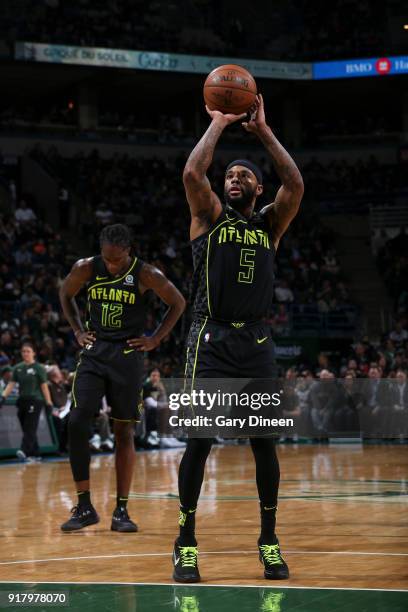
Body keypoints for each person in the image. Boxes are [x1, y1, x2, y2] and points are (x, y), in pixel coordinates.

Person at [172, 95, 304, 582]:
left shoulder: (270, 224)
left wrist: (264, 132)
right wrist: (219, 124)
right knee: (199, 441)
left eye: (243, 175)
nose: (233, 179)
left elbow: (296, 184)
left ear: (257, 187)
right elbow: (191, 174)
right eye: (229, 175)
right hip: (208, 337)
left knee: (264, 445)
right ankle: (185, 542)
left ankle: (268, 540)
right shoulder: (207, 217)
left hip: (257, 343)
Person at [59, 223, 185, 532]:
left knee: (124, 431)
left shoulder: (146, 274)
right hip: (95, 351)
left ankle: (121, 510)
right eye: (108, 258)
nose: (112, 264)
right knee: (76, 422)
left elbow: (178, 303)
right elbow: (66, 294)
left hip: (128, 357)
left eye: (117, 259)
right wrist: (77, 330)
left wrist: (155, 339)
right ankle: (85, 505)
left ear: (128, 251)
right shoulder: (86, 268)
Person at [0, 342, 53, 461]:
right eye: (23, 351)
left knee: (30, 426)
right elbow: (11, 384)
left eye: (28, 351)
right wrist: (3, 397)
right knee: (27, 428)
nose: (25, 354)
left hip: (35, 400)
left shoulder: (39, 368)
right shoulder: (17, 368)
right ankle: (35, 453)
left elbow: (44, 386)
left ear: (33, 353)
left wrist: (49, 402)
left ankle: (24, 451)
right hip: (22, 400)